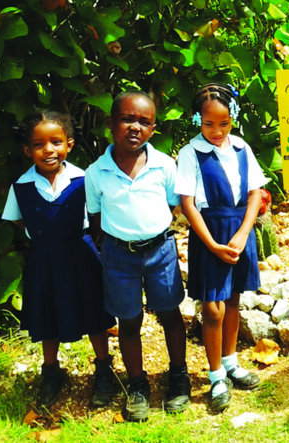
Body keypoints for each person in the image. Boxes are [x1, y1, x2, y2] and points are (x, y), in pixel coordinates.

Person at [84, 92, 188, 422]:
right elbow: (97, 217)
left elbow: (172, 204)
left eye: (144, 122)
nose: (135, 127)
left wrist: (152, 231)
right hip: (119, 255)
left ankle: (178, 375)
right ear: (111, 124)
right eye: (128, 119)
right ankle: (137, 384)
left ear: (153, 129)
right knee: (128, 321)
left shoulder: (164, 165)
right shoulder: (96, 172)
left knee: (170, 314)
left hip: (160, 250)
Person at [2, 110, 116, 409]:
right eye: (39, 144)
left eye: (56, 142)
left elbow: (96, 213)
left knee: (93, 312)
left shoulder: (83, 179)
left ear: (70, 144)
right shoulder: (22, 186)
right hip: (44, 259)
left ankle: (104, 369)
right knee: (46, 313)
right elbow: (18, 219)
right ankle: (51, 371)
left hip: (81, 254)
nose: (48, 150)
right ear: (27, 150)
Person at [176, 84, 266, 411]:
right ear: (197, 121)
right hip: (209, 234)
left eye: (224, 123)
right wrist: (212, 244)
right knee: (212, 307)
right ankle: (215, 375)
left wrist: (243, 233)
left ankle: (231, 361)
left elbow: (255, 193)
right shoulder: (190, 153)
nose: (217, 131)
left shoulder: (241, 148)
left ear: (233, 119)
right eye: (208, 124)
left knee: (232, 300)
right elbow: (187, 203)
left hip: (238, 232)